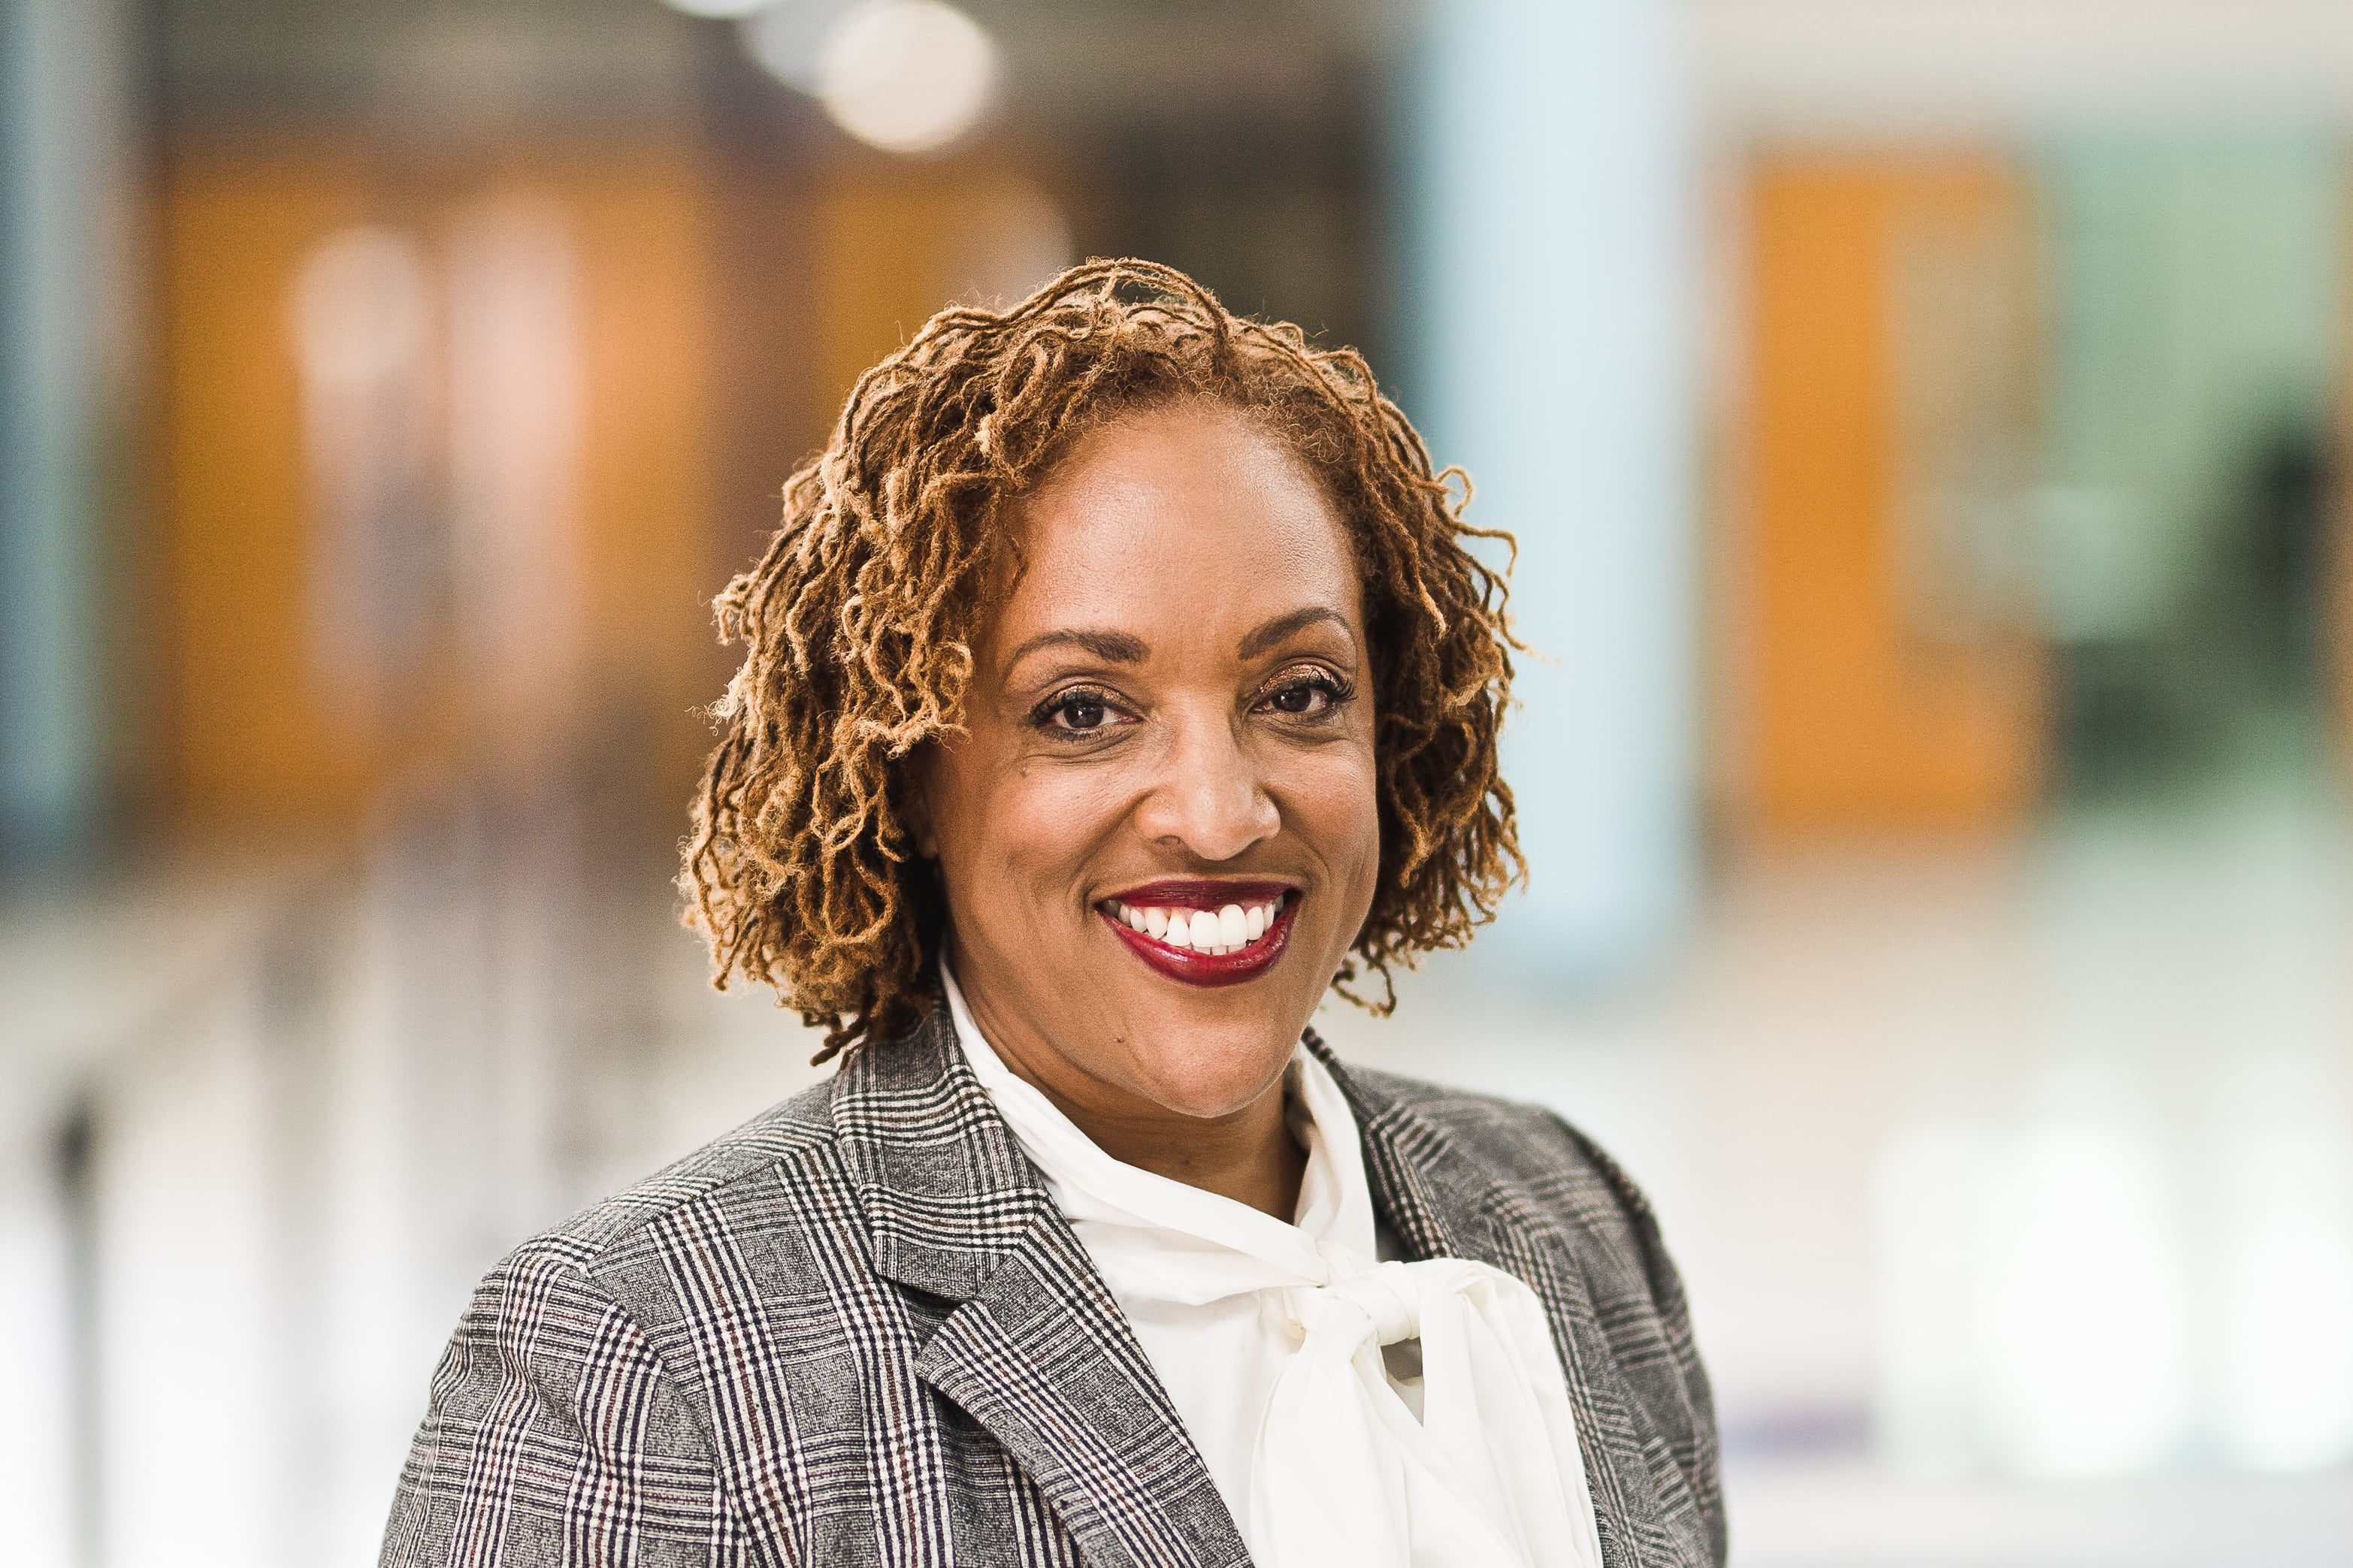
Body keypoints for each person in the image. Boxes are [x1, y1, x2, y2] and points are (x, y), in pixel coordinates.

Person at [380, 261, 1722, 1568]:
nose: (1218, 811)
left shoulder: (1567, 1218)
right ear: (901, 771)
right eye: (1083, 712)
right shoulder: (637, 1370)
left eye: (1299, 692)